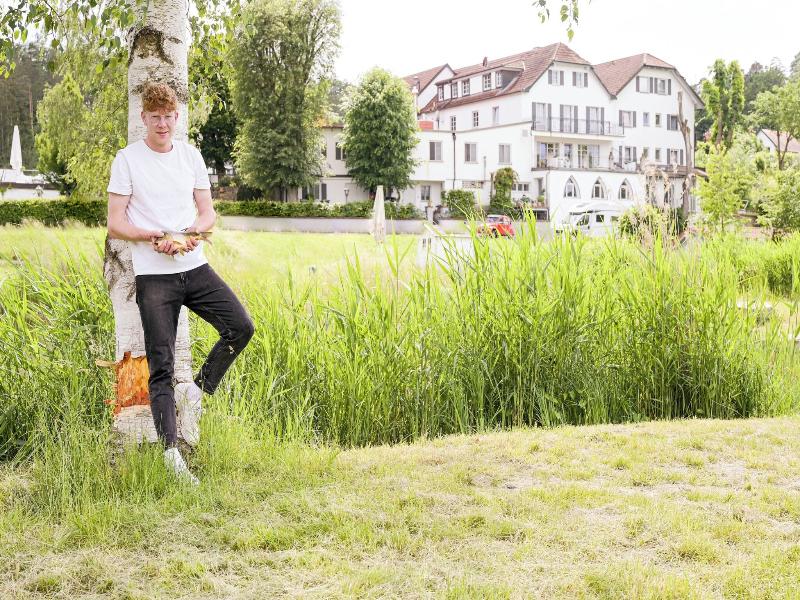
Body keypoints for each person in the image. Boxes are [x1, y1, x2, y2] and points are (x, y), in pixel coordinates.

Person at [106, 82, 254, 485]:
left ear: (176, 116)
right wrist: (152, 236)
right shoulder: (128, 159)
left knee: (241, 327)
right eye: (155, 116)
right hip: (154, 275)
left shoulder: (190, 155)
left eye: (169, 116)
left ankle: (200, 389)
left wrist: (191, 232)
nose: (162, 123)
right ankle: (171, 453)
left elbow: (208, 214)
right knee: (162, 366)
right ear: (144, 118)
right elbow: (116, 222)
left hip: (194, 266)